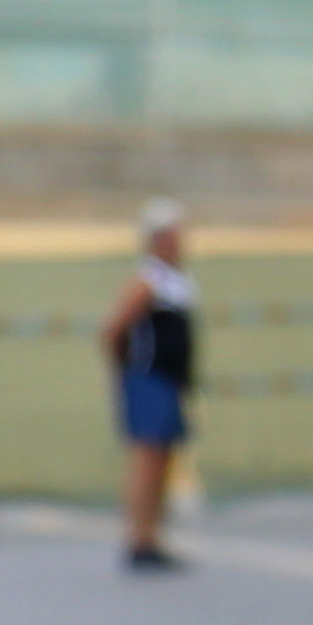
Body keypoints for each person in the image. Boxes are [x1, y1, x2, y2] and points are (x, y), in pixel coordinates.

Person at [95, 205, 199, 572]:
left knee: (164, 461)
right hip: (148, 380)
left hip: (169, 382)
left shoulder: (175, 280)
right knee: (146, 460)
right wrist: (127, 368)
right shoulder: (147, 280)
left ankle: (152, 537)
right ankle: (138, 539)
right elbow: (113, 329)